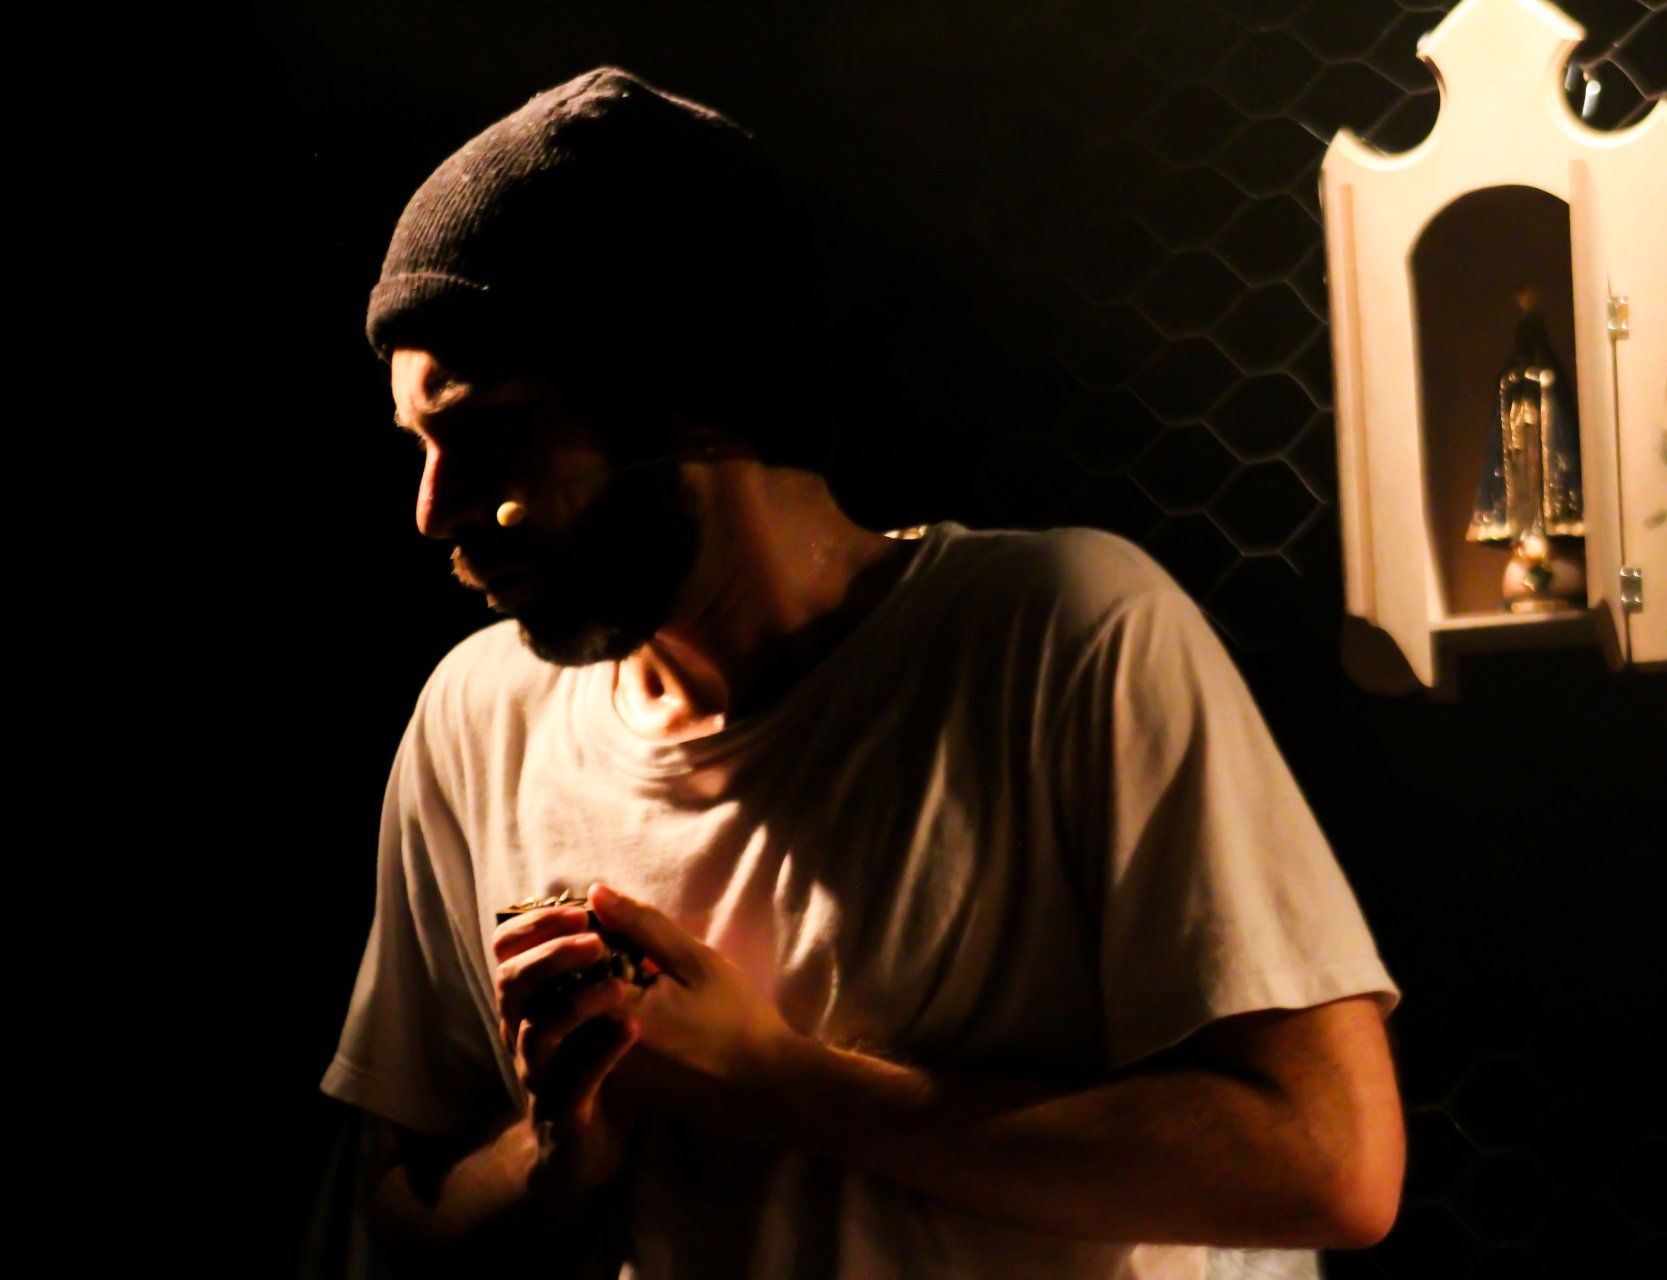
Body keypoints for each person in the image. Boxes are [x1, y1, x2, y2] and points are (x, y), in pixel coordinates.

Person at [317, 65, 1406, 1280]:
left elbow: (1329, 1159)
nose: (433, 510)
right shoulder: (477, 722)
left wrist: (777, 1080)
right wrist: (560, 1149)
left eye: (487, 430)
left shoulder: (1061, 636)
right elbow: (390, 1227)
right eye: (418, 443)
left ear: (688, 402)